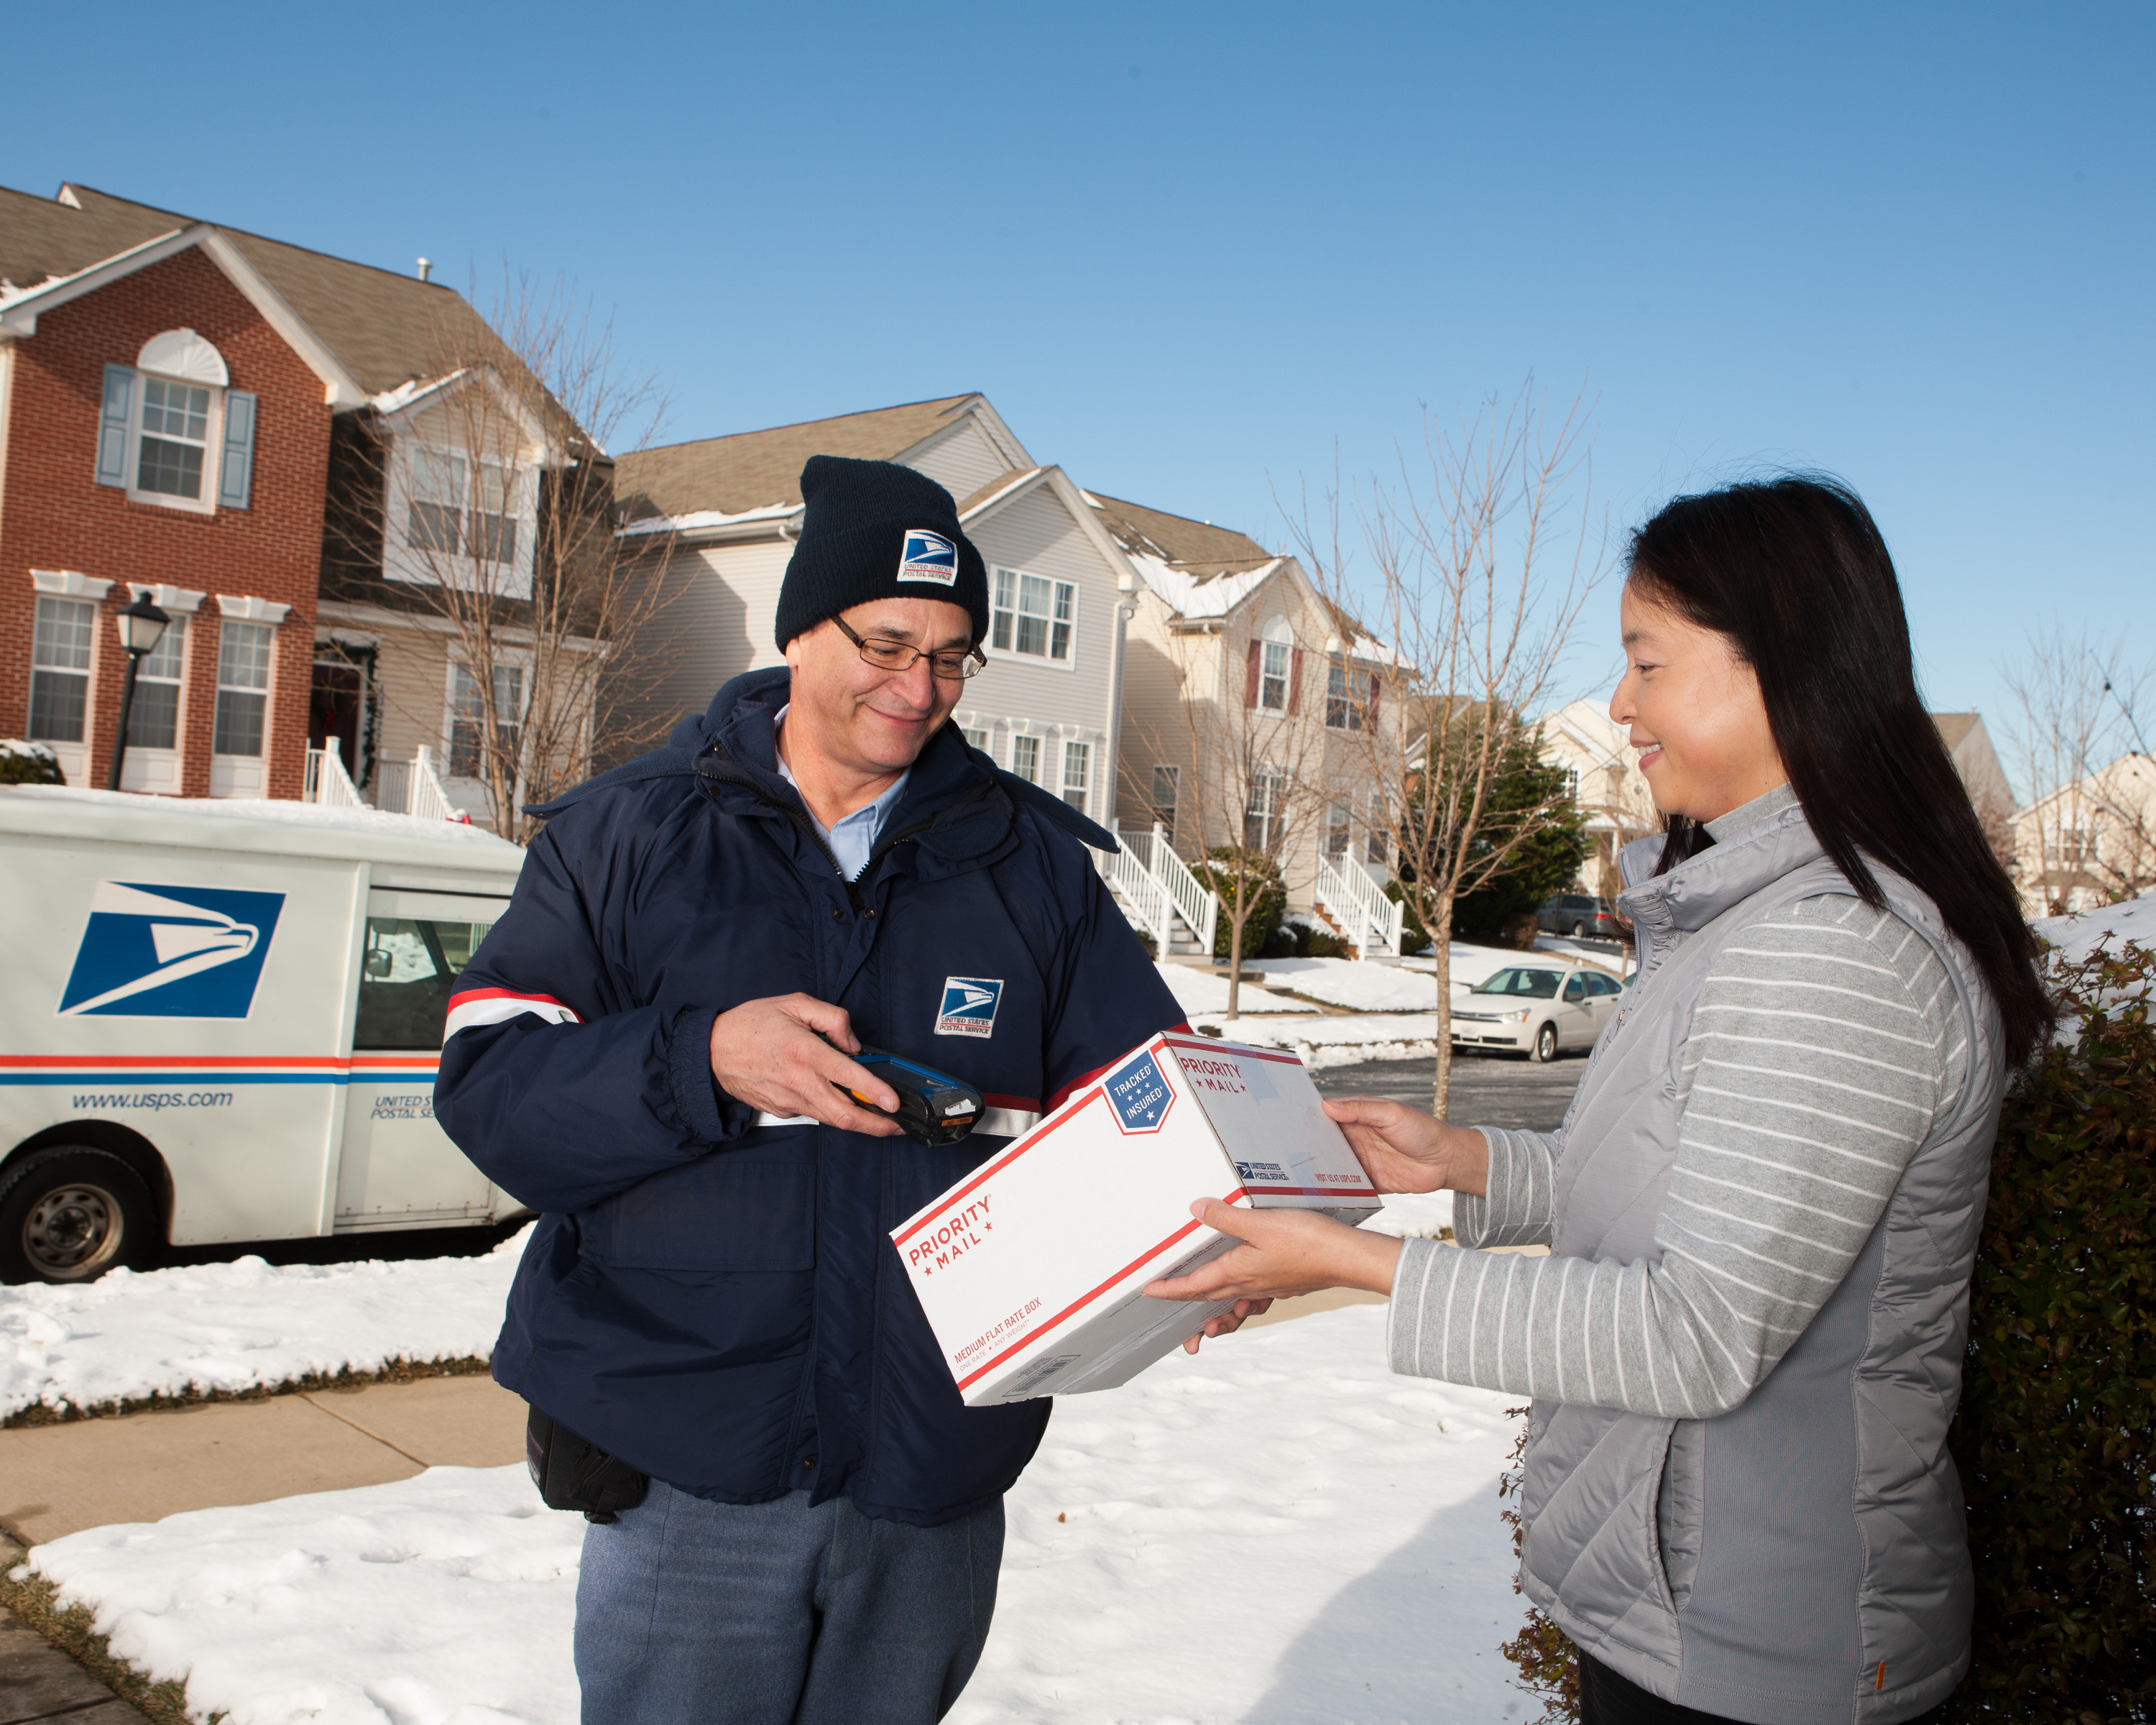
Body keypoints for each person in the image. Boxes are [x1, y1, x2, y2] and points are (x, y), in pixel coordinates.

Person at [1148, 476, 2050, 1725]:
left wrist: (1360, 1269)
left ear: (1779, 667)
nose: (1620, 707)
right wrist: (1465, 1161)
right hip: (1682, 1606)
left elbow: (1696, 1329)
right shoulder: (1752, 917)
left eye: (1647, 663)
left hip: (1763, 1642)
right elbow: (1692, 1198)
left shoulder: (1836, 951)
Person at [436, 455, 1184, 1725]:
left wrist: (1200, 1224)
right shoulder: (623, 837)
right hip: (690, 1472)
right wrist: (703, 1059)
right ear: (799, 630)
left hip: (931, 1475)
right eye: (887, 641)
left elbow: (1145, 1098)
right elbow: (492, 1092)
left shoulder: (1033, 866)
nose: (919, 688)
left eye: (953, 656)